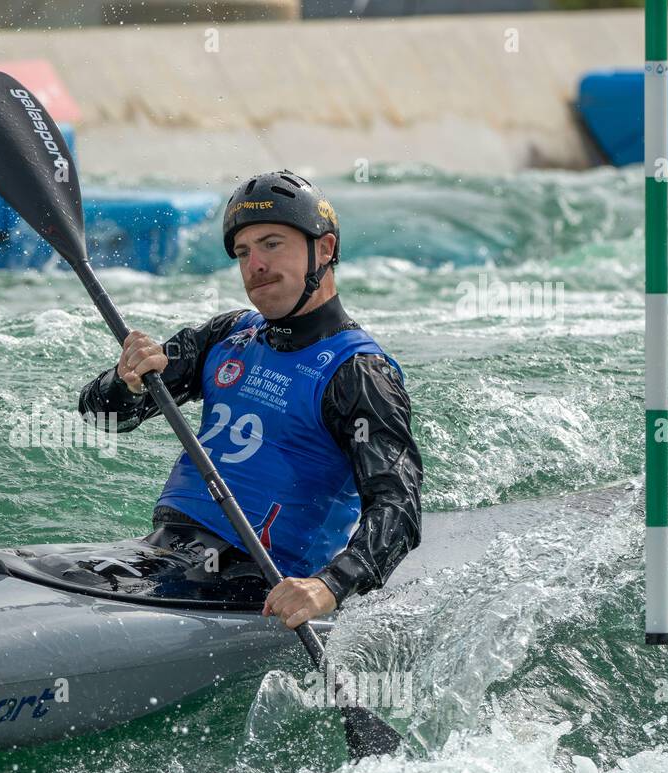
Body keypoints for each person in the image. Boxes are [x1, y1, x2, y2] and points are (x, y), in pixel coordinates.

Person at [77, 171, 423, 630]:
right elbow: (102, 417)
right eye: (243, 252)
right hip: (161, 554)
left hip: (252, 583)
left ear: (323, 249)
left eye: (272, 244)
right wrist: (126, 383)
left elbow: (398, 506)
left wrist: (329, 586)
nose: (254, 264)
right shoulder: (228, 336)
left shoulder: (357, 373)